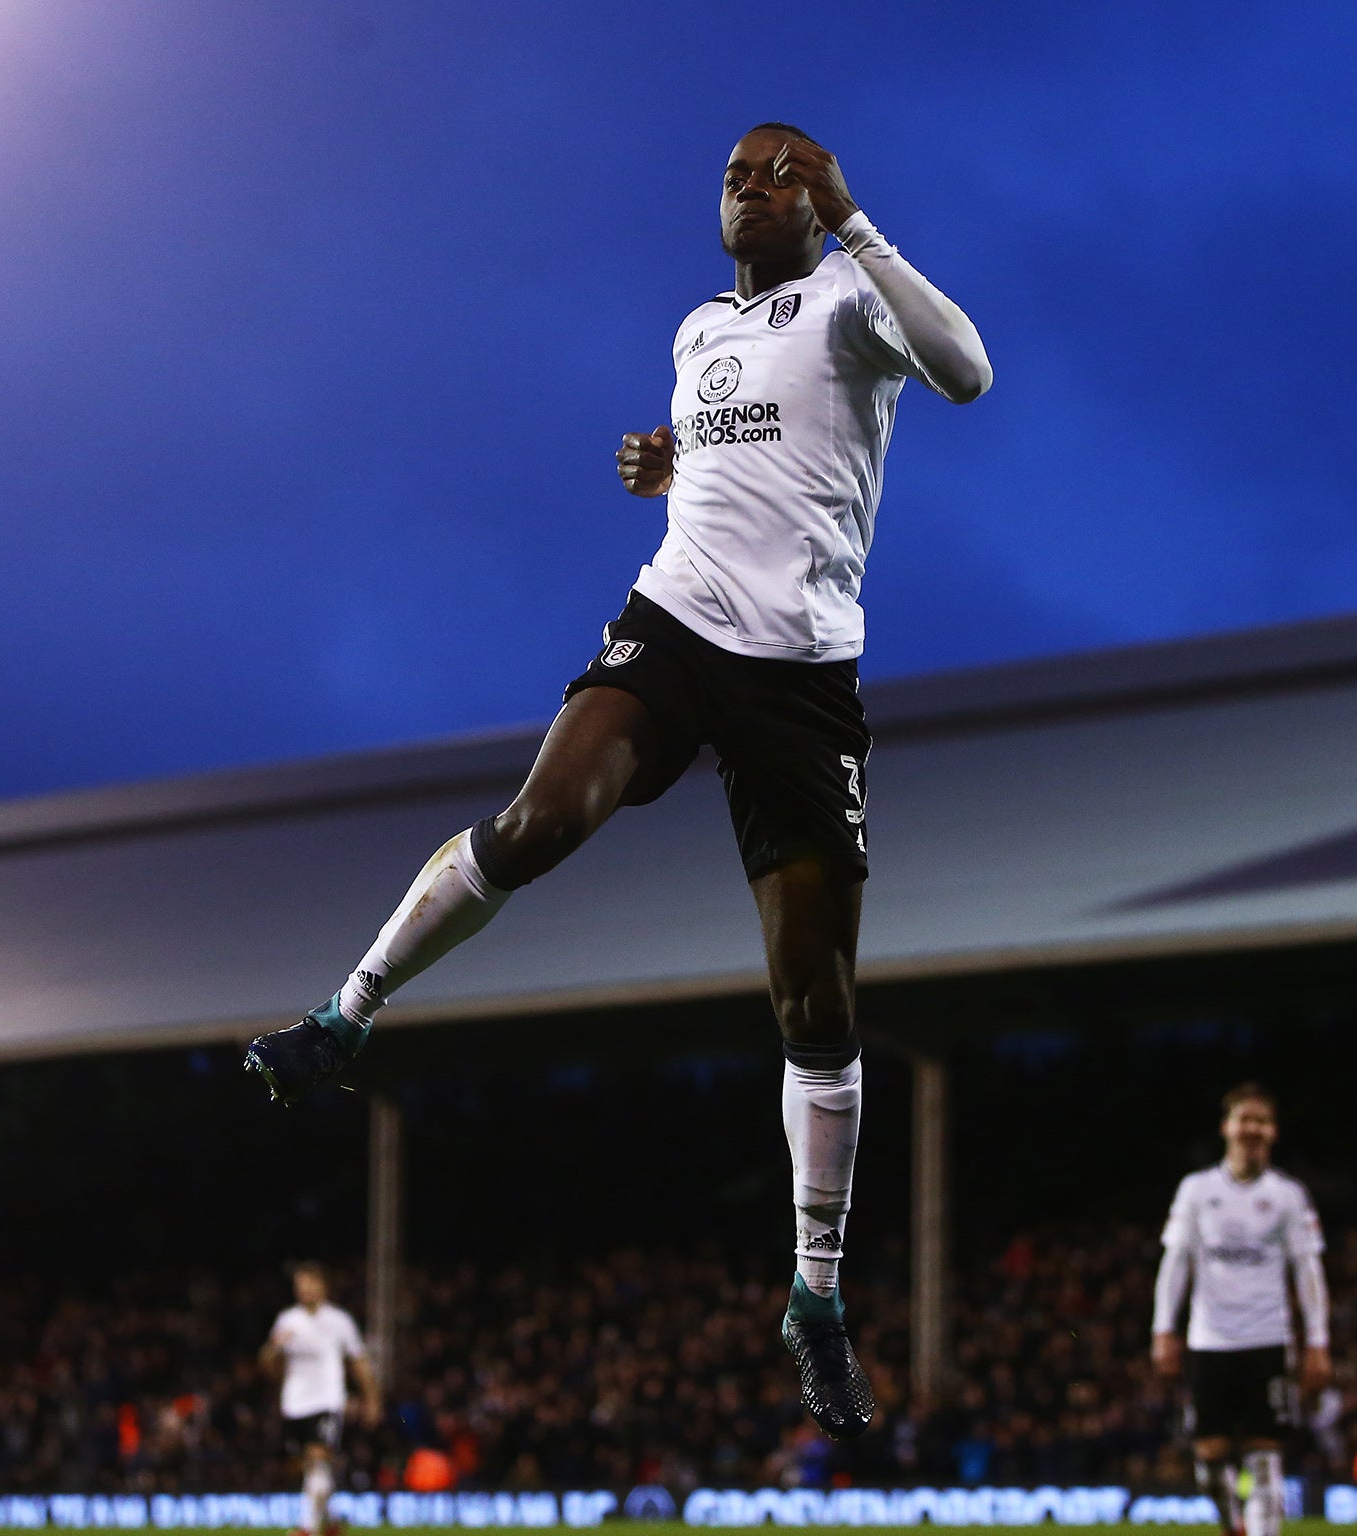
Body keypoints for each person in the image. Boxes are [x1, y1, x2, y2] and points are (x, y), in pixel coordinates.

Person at [243, 120, 991, 1439]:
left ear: (818, 194)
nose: (752, 187)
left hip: (804, 676)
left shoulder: (856, 292)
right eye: (734, 174)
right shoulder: (698, 330)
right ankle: (346, 1015)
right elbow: (732, 468)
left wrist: (863, 219)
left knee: (815, 997)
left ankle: (815, 1301)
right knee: (543, 817)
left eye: (780, 171)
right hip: (676, 622)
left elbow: (971, 374)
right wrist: (670, 467)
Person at [1151, 1085, 1331, 1536]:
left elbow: (1308, 1271)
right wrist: (1163, 1330)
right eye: (1243, 1119)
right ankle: (1234, 1524)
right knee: (1209, 1457)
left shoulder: (1288, 1195)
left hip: (1267, 1340)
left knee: (1265, 1454)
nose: (1251, 1128)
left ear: (1272, 1131)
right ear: (1226, 1127)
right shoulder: (1196, 1190)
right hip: (1210, 1339)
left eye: (1260, 1121)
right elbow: (1176, 1263)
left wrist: (1317, 1342)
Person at [260, 1262, 380, 1536]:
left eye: (311, 1284)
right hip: (294, 1404)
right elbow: (266, 1364)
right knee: (311, 1469)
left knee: (317, 1458)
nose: (306, 1290)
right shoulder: (287, 1320)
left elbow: (358, 1361)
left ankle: (307, 1528)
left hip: (327, 1401)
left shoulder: (339, 1321)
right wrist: (273, 1348)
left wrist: (372, 1398)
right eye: (301, 1285)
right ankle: (333, 1523)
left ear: (323, 1286)